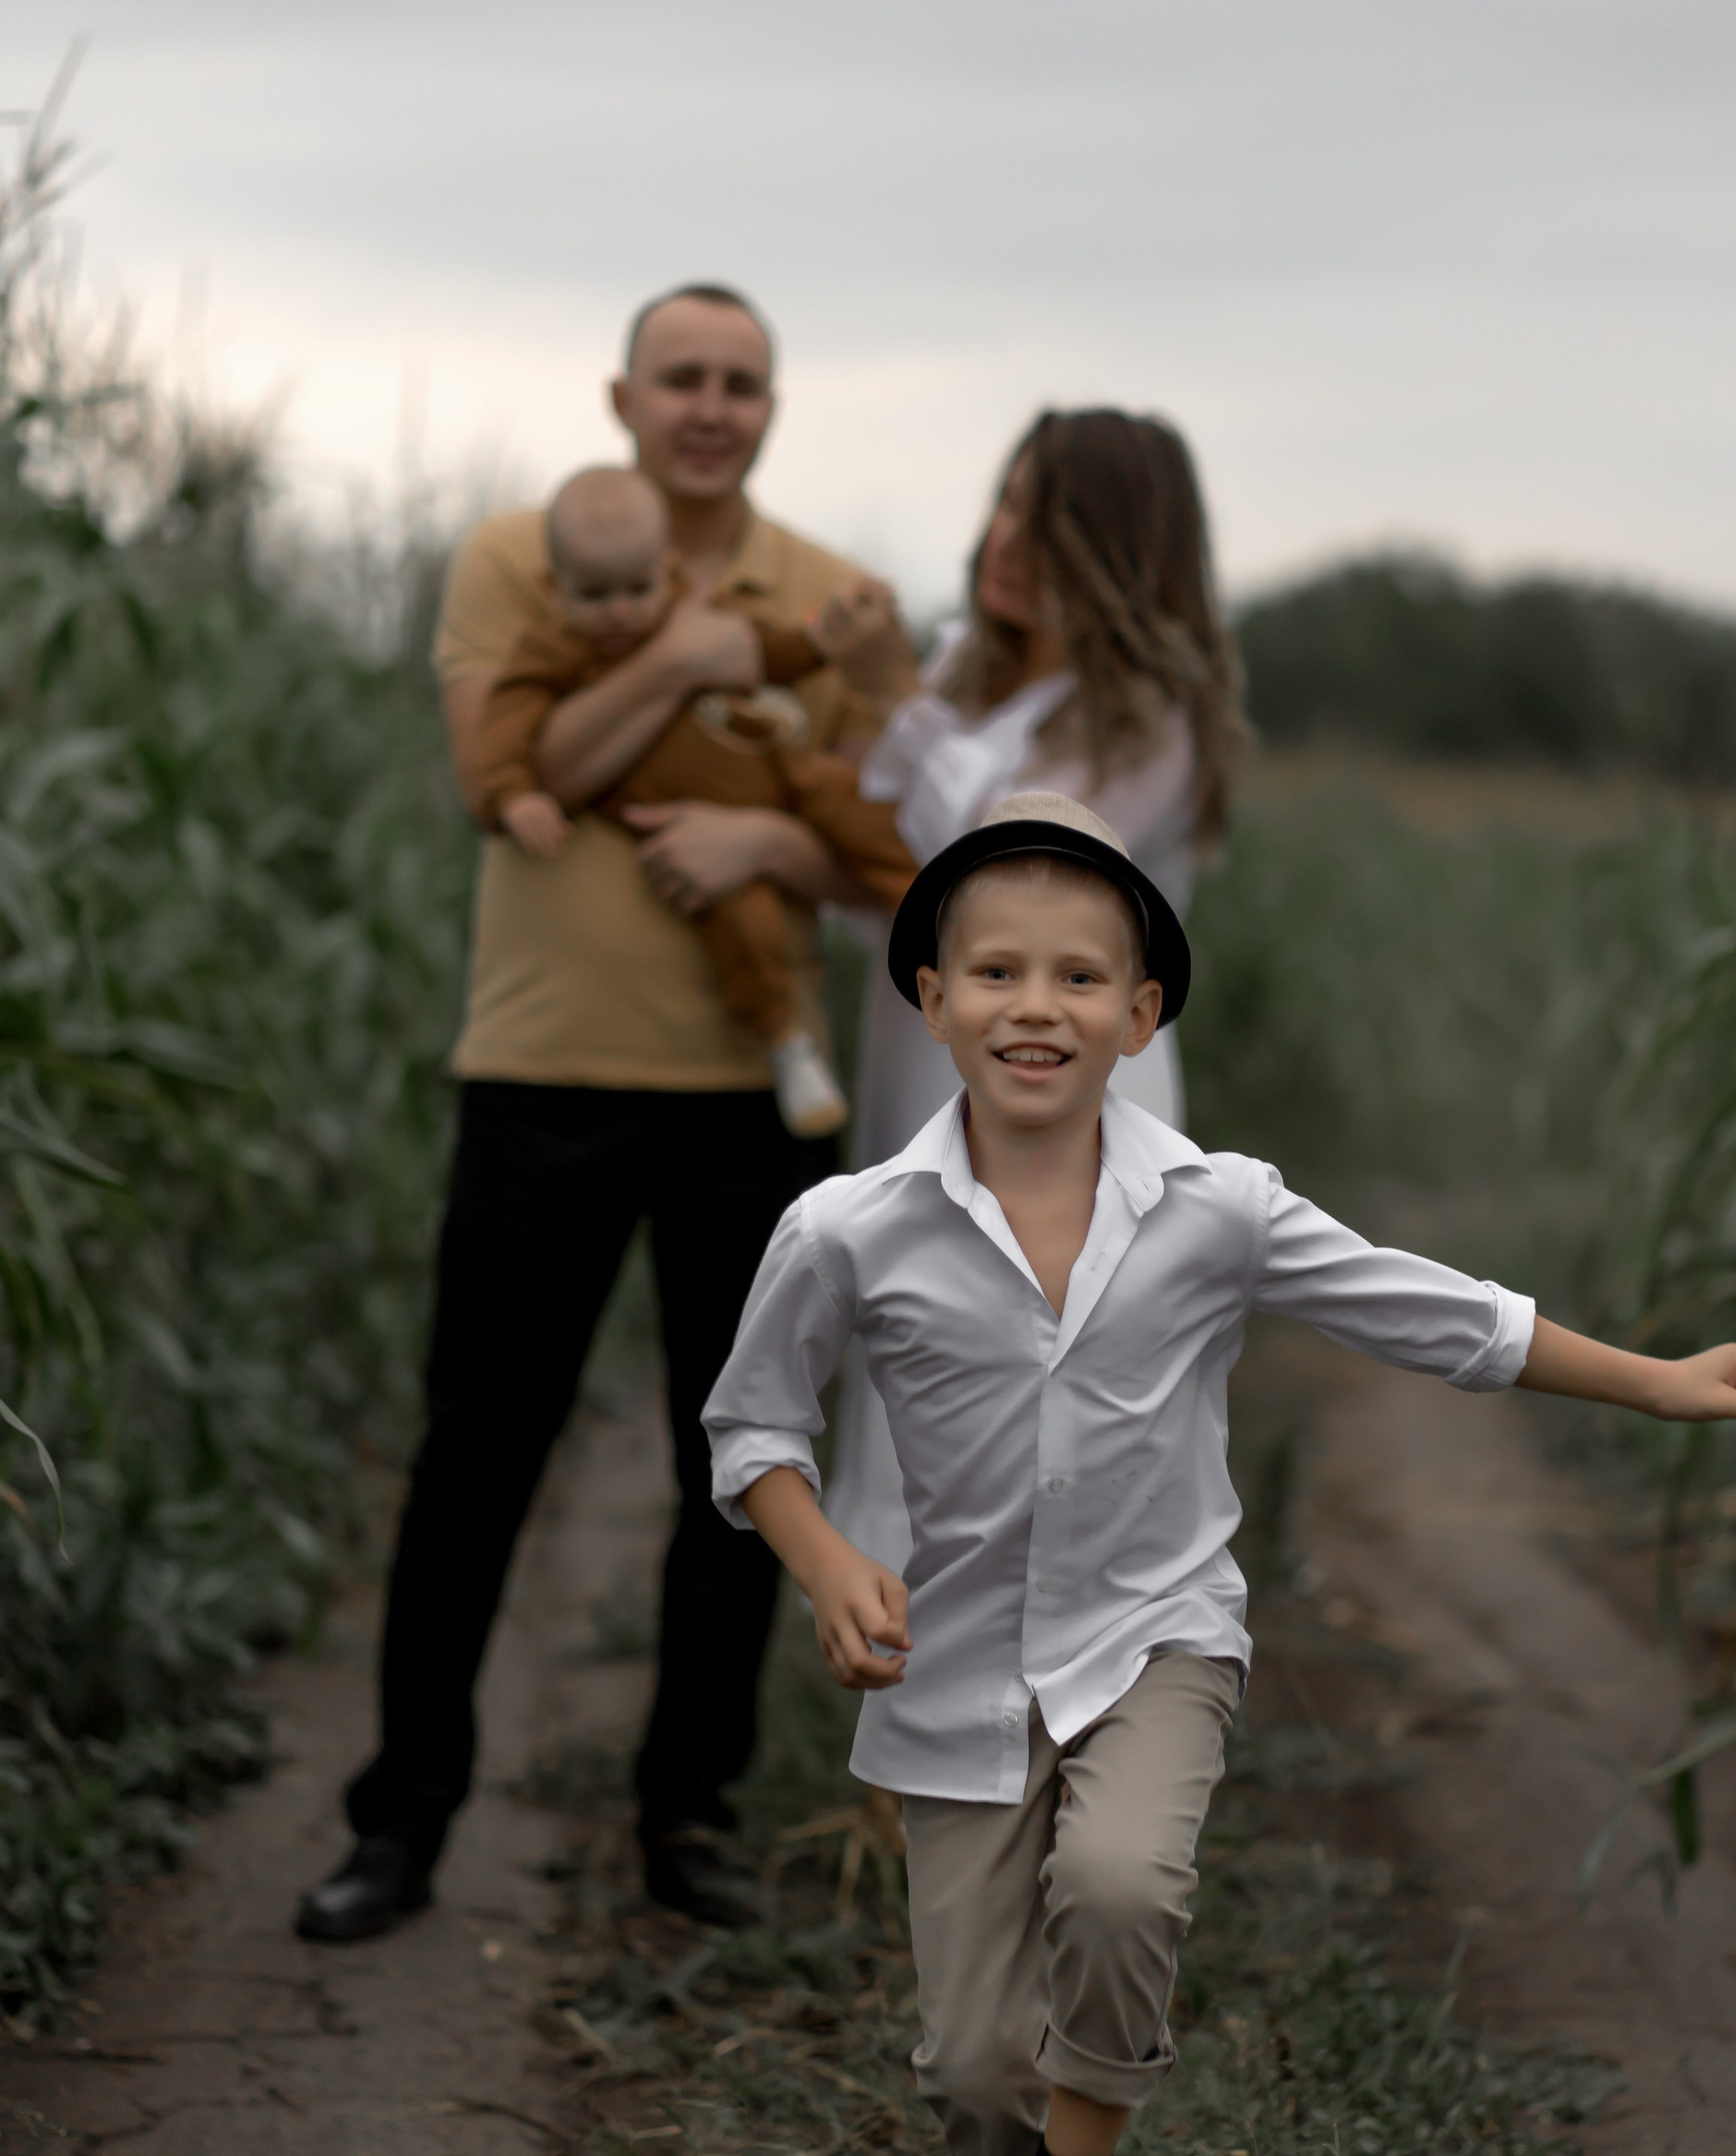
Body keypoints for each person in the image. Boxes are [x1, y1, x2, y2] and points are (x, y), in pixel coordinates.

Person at [702, 790, 1736, 2156]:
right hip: (953, 1676)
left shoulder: (1215, 1211)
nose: (1035, 1003)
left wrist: (1660, 1379)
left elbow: (1433, 1315)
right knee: (973, 2067)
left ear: (1145, 1016)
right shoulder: (847, 1229)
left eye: (1080, 973)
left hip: (1155, 1641)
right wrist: (824, 1565)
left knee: (1124, 1886)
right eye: (994, 969)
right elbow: (751, 1424)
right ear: (925, 997)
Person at [296, 283, 915, 1946]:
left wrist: (763, 849)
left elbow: (858, 829)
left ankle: (686, 1819)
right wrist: (692, 659)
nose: (710, 406)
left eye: (741, 382)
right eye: (681, 378)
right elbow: (513, 777)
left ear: (771, 409)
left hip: (755, 1102)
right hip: (540, 1076)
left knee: (739, 1468)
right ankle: (402, 1819)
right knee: (475, 1458)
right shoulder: (523, 551)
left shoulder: (820, 592)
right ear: (622, 396)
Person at [826, 404, 1239, 1576]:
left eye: (1045, 520)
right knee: (910, 1391)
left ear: (1117, 551)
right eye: (1006, 502)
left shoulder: (1153, 724)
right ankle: (902, 1742)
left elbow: (1010, 868)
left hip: (1068, 1104)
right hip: (929, 1069)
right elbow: (902, 892)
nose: (1004, 537)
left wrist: (891, 701)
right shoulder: (973, 674)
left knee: (1029, 1413)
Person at [475, 465, 916, 1142]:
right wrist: (511, 795)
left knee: (869, 823)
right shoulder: (556, 652)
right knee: (745, 924)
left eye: (637, 589)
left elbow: (770, 650)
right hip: (680, 830)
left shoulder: (704, 612)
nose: (620, 611)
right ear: (552, 590)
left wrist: (819, 641)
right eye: (595, 595)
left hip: (782, 769)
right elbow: (503, 732)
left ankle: (949, 916)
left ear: (668, 568)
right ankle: (785, 1042)